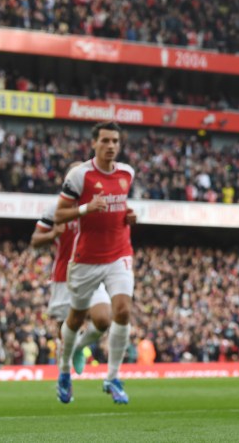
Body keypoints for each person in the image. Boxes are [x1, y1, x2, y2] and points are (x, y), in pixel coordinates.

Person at [53, 121, 136, 405]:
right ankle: (64, 371)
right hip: (86, 259)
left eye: (115, 141)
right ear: (94, 143)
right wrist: (88, 208)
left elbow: (119, 207)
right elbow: (59, 215)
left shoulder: (127, 173)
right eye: (105, 141)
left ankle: (112, 377)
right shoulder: (80, 176)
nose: (111, 146)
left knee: (122, 310)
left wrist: (129, 216)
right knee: (76, 318)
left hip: (119, 253)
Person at [31, 163, 118, 377]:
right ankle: (65, 377)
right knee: (65, 333)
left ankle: (80, 347)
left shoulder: (98, 204)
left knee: (103, 319)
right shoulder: (56, 209)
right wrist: (52, 236)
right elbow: (35, 240)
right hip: (64, 276)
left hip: (91, 271)